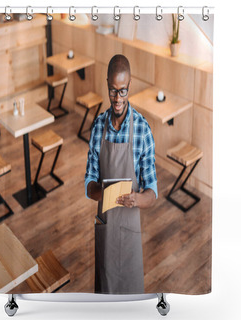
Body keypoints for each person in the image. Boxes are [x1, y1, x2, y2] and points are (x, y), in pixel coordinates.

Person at [85, 54, 157, 294]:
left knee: (131, 294)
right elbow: (89, 185)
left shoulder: (142, 130)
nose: (118, 98)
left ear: (130, 85)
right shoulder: (97, 128)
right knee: (105, 291)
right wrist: (102, 191)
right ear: (107, 84)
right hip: (106, 225)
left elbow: (152, 192)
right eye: (113, 91)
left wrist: (137, 198)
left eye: (123, 91)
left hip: (129, 228)